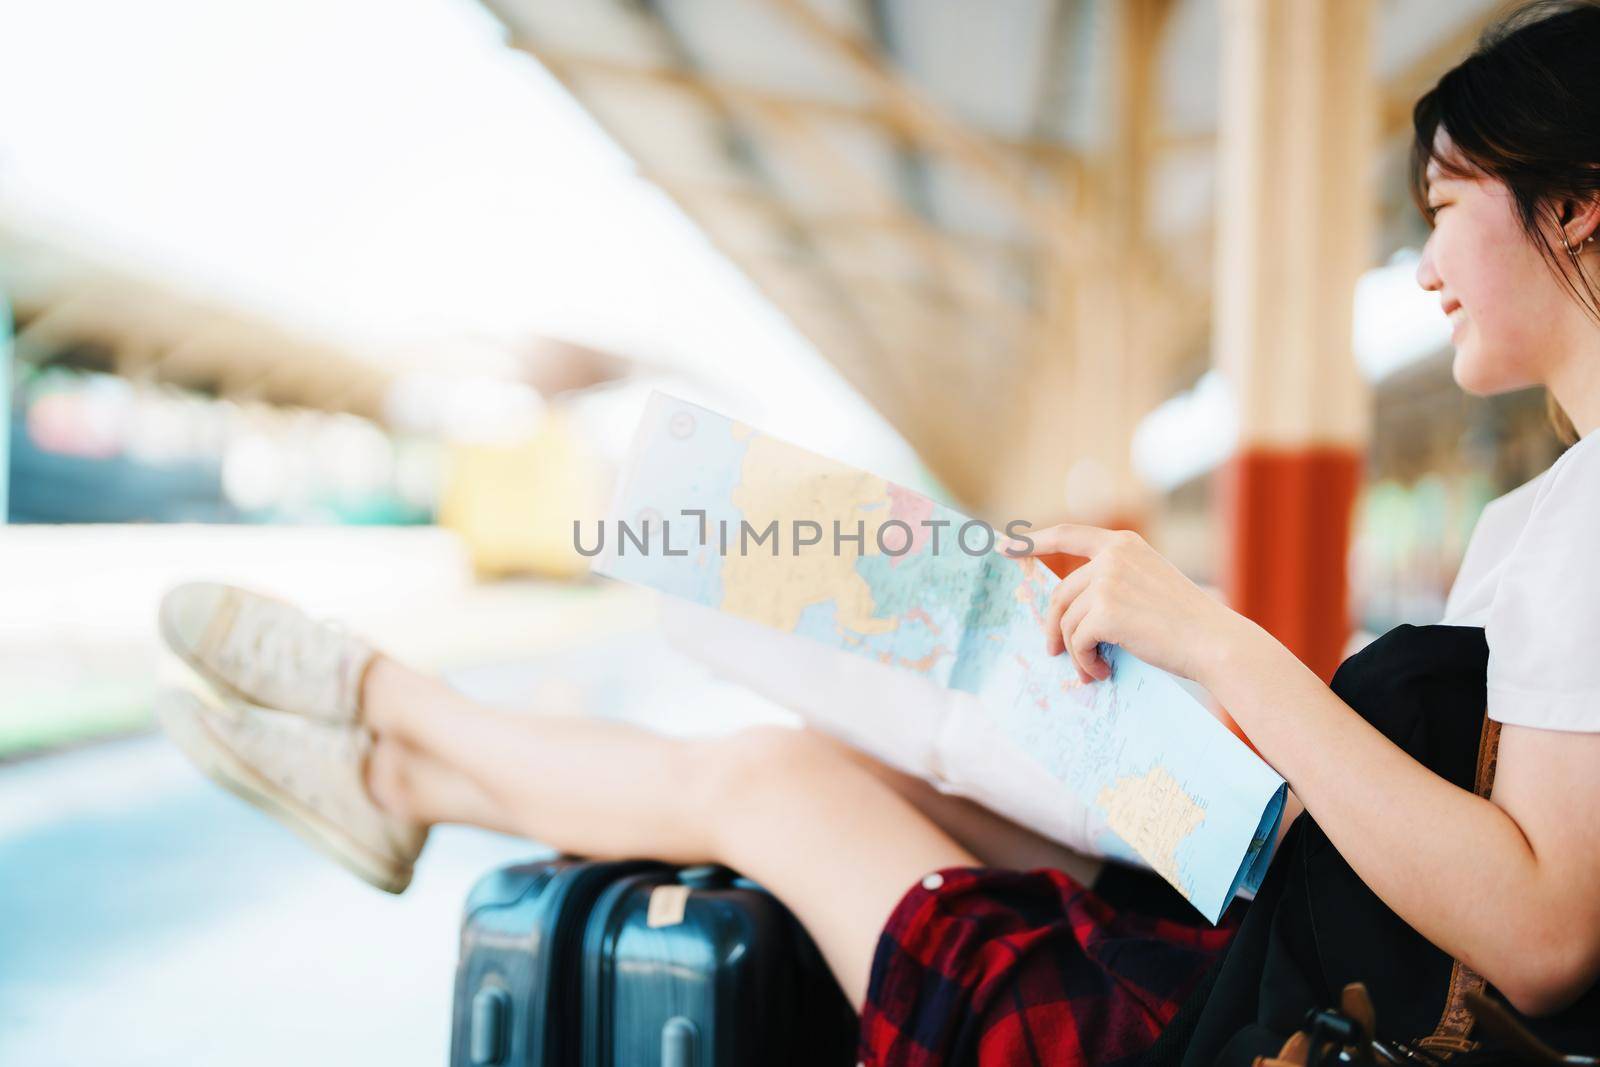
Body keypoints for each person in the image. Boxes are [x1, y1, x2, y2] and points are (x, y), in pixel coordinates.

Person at [155, 2, 1600, 1062]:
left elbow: (1539, 941)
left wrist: (1215, 646)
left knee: (773, 791)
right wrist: (1182, 688)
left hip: (1246, 1023)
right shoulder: (1548, 513)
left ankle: (384, 713)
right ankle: (397, 763)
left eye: (1446, 205)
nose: (1421, 264)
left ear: (1579, 207)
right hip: (1271, 923)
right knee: (837, 744)